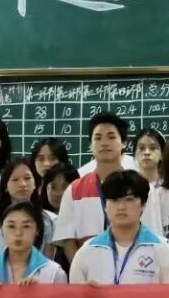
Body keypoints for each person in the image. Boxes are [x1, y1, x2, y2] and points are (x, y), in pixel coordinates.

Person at [54, 111, 134, 262]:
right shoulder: (74, 190)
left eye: (111, 137)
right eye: (97, 138)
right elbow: (68, 241)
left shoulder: (139, 187)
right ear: (90, 145)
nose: (104, 143)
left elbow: (151, 236)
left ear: (124, 142)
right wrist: (82, 271)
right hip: (87, 272)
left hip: (132, 271)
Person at [0, 157, 56, 260]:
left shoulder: (49, 222)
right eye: (15, 180)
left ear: (35, 184)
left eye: (27, 178)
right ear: (5, 186)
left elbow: (49, 263)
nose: (22, 184)